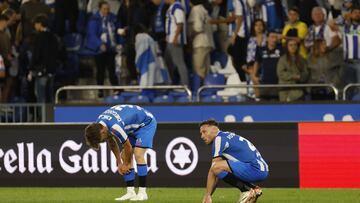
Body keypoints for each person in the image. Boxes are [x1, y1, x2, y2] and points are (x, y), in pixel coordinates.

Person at [84, 104, 157, 201]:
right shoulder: (100, 124)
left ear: (102, 132)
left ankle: (143, 193)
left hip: (145, 124)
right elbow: (112, 142)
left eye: (100, 139)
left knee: (138, 154)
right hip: (132, 126)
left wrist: (126, 164)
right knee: (124, 155)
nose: (102, 141)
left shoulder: (115, 127)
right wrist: (119, 163)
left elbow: (128, 146)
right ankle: (130, 192)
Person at [200, 119, 268, 203]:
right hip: (262, 169)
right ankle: (252, 189)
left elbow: (213, 169)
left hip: (254, 169)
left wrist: (208, 195)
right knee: (221, 167)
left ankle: (247, 190)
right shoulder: (228, 135)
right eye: (201, 133)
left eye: (204, 132)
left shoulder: (219, 139)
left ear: (214, 129)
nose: (202, 136)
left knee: (216, 167)